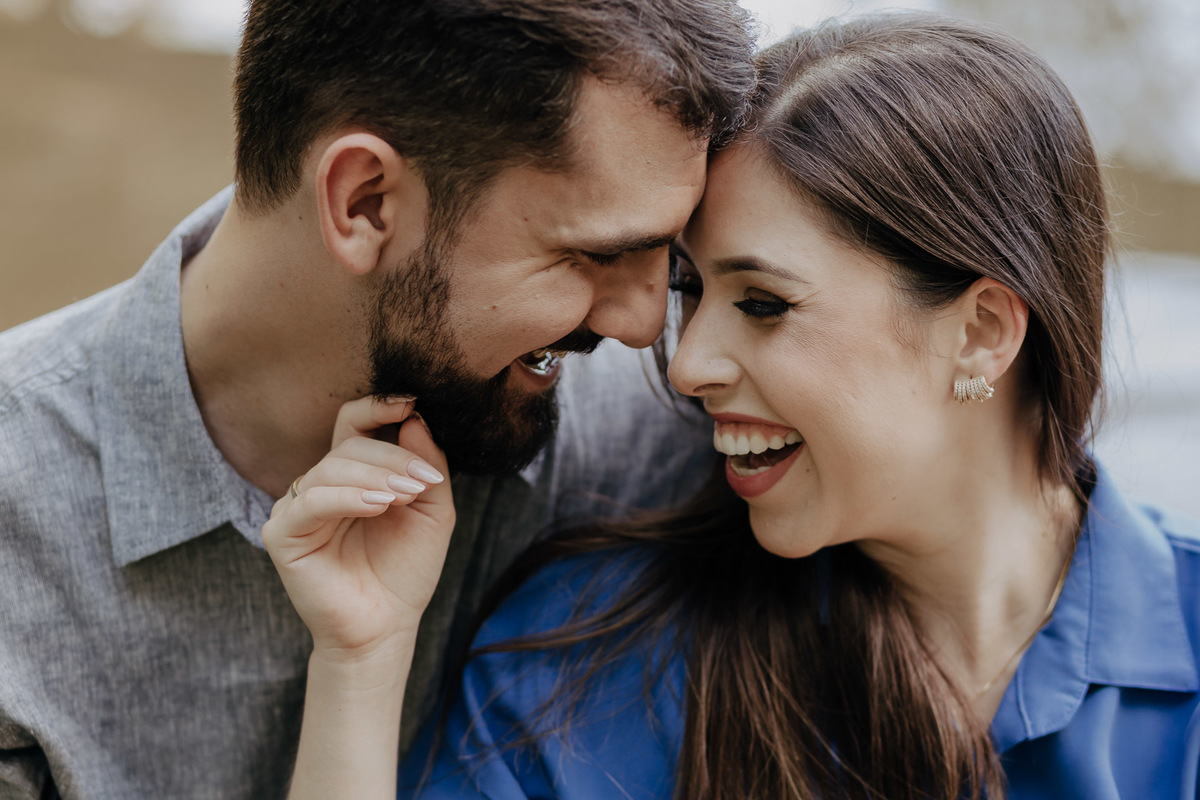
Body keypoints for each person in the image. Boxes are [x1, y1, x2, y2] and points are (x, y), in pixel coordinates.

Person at [265, 10, 1200, 800]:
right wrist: (360, 664)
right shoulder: (584, 673)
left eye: (763, 303)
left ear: (984, 332)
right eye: (691, 294)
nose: (689, 366)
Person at [0, 2, 757, 798]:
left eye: (666, 256)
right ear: (363, 202)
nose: (649, 329)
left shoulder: (676, 422)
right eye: (597, 255)